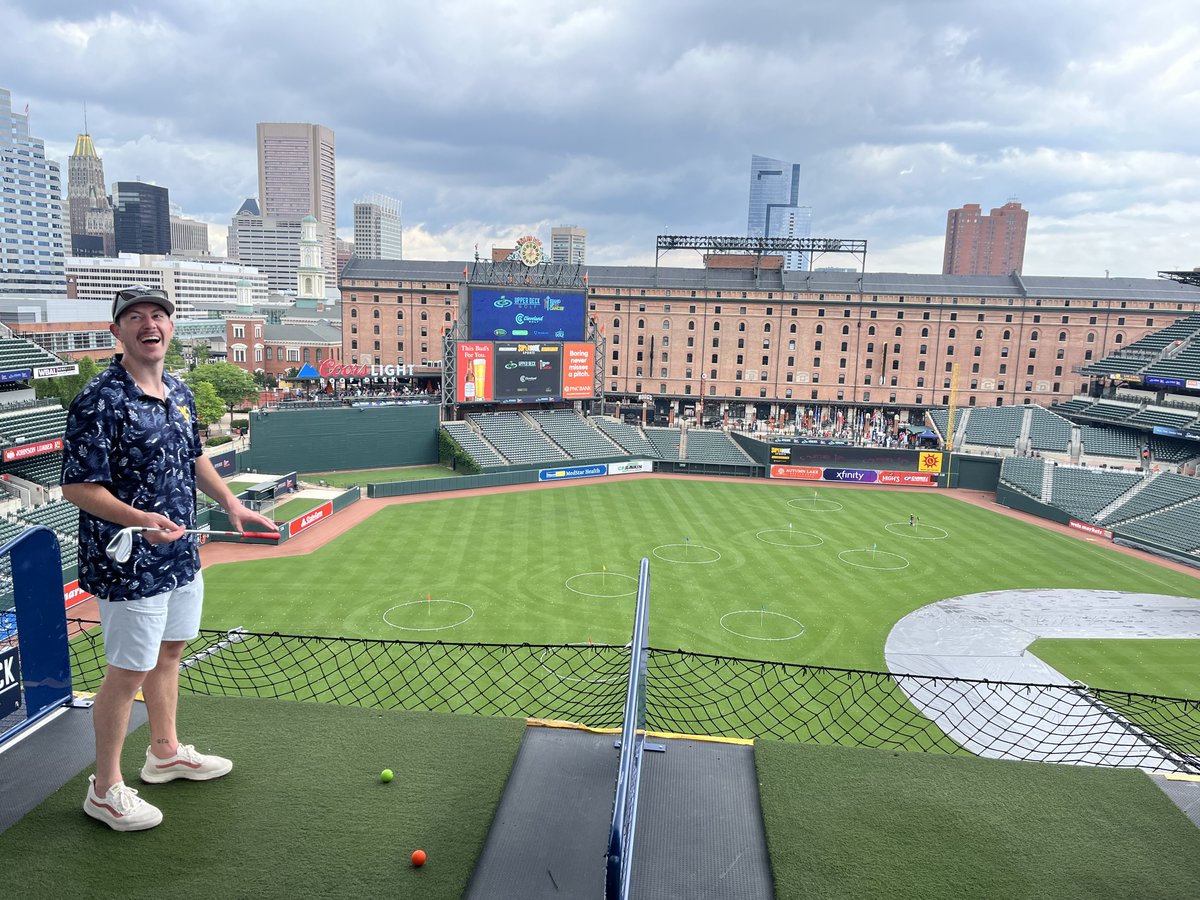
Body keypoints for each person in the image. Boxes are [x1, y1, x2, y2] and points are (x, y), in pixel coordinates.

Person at [61, 285, 279, 832]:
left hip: (180, 553)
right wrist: (141, 520)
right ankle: (105, 788)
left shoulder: (179, 391)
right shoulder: (99, 398)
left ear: (171, 327)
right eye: (134, 317)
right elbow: (79, 488)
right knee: (128, 669)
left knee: (171, 650)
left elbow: (194, 457)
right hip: (130, 559)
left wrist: (231, 503)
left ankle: (164, 753)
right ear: (117, 332)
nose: (148, 324)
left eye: (158, 315)